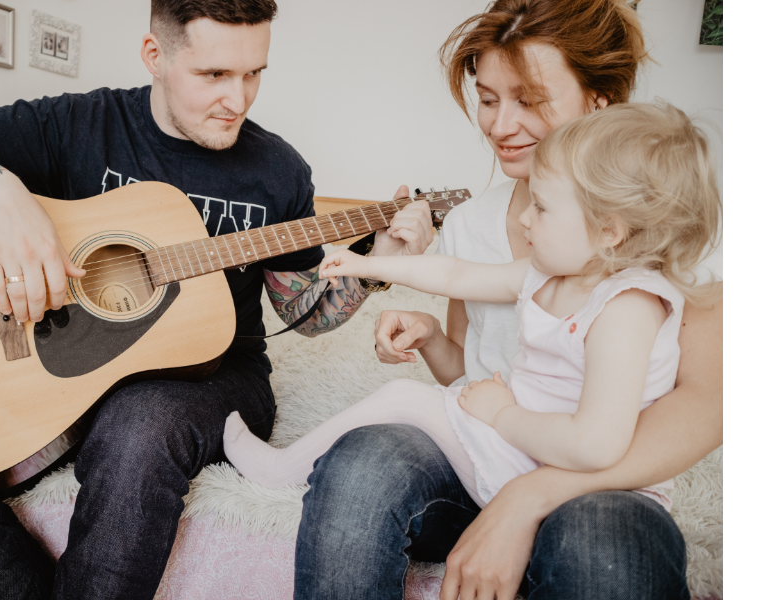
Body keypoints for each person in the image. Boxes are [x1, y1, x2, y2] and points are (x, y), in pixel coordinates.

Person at [0, 1, 434, 599]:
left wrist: (376, 263)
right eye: (214, 75)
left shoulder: (278, 170)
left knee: (137, 424)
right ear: (155, 55)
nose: (238, 99)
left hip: (215, 368)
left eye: (254, 73)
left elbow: (301, 313)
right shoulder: (80, 124)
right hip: (76, 362)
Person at [288, 1, 724, 599]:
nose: (498, 125)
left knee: (605, 547)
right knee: (360, 462)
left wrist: (529, 497)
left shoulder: (666, 239)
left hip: (602, 485)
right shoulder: (473, 224)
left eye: (530, 100)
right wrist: (433, 337)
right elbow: (471, 376)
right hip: (483, 457)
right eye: (488, 99)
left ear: (598, 102)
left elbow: (711, 403)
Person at [224, 101, 721, 516]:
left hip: (569, 474)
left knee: (403, 397)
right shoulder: (552, 272)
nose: (523, 216)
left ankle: (278, 471)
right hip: (530, 449)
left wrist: (503, 416)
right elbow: (458, 274)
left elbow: (596, 446)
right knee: (409, 401)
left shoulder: (627, 309)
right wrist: (366, 263)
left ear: (610, 231)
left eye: (543, 207)